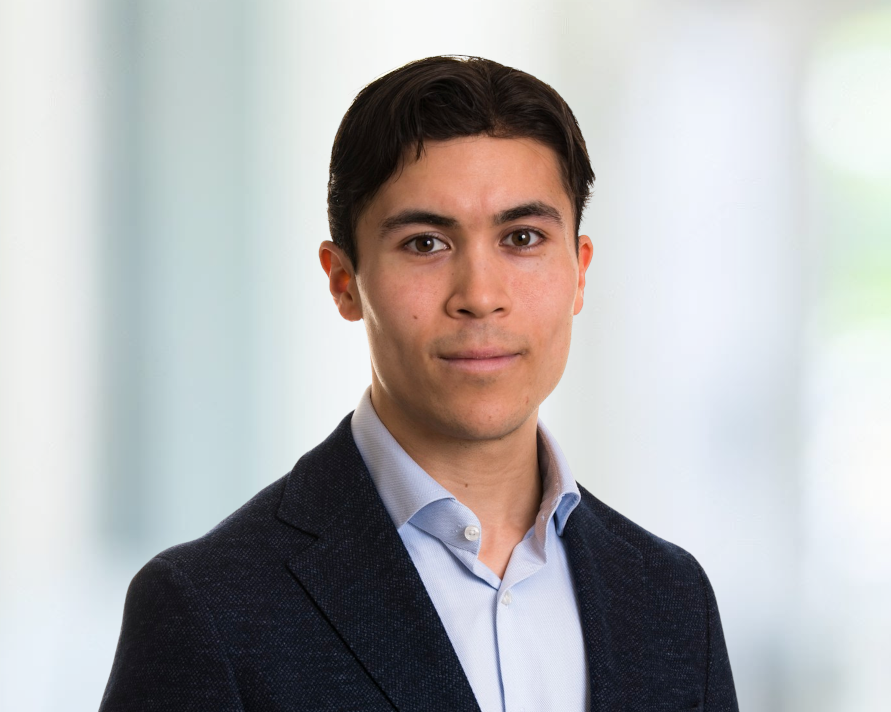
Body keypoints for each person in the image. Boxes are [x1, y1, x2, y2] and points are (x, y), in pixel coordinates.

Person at [99, 56, 738, 712]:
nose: (480, 296)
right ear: (344, 281)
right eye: (426, 244)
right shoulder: (209, 608)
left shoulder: (671, 599)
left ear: (579, 271)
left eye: (522, 238)